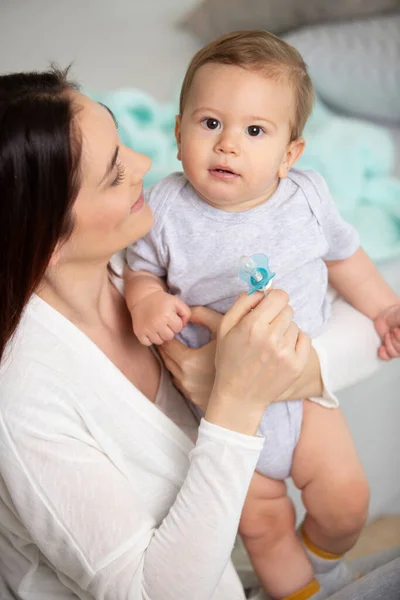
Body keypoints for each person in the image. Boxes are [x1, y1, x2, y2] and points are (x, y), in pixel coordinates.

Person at [0, 66, 340, 600]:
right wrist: (234, 404)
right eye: (115, 174)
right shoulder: (24, 404)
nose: (147, 164)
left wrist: (277, 377)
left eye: (123, 144)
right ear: (46, 237)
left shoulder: (133, 269)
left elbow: (315, 311)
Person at [124, 30, 400, 599]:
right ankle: (304, 593)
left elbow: (345, 256)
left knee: (346, 505)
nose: (228, 145)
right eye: (209, 124)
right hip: (223, 417)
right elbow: (140, 269)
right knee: (262, 527)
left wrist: (385, 307)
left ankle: (324, 562)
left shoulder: (306, 197)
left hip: (300, 397)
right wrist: (147, 299)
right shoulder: (166, 208)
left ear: (289, 155)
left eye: (254, 131)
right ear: (178, 133)